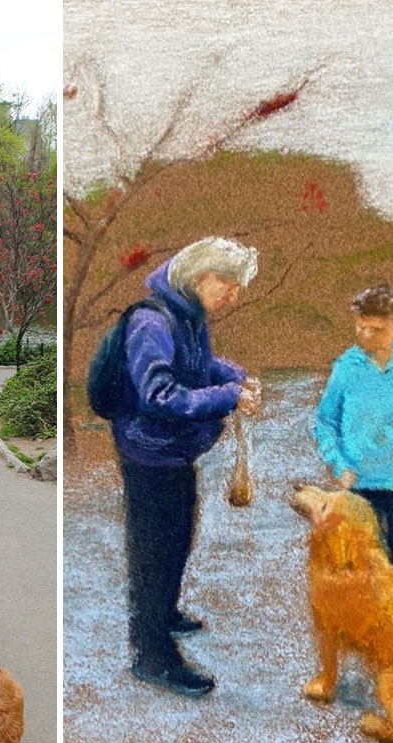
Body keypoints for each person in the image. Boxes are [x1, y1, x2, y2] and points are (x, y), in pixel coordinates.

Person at [108, 236, 262, 698]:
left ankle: (165, 611)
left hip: (175, 451)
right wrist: (228, 396)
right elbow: (159, 395)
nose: (233, 295)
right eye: (228, 285)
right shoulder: (151, 322)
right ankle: (151, 654)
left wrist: (232, 375)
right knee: (153, 549)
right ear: (200, 278)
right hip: (149, 451)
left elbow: (196, 367)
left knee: (177, 537)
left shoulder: (188, 318)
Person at [314, 284, 393, 585]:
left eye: (377, 329)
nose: (367, 336)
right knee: (360, 569)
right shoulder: (346, 369)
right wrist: (339, 466)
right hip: (357, 485)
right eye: (361, 328)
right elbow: (325, 422)